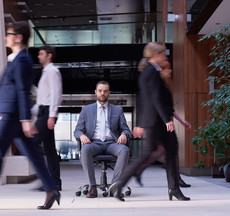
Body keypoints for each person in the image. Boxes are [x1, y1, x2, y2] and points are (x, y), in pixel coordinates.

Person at [0, 21, 60, 210]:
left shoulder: (23, 60)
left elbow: (21, 90)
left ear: (18, 37)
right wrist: (7, 116)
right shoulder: (16, 58)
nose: (5, 37)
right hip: (12, 115)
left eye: (8, 34)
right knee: (33, 154)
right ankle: (51, 189)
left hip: (15, 115)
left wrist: (25, 120)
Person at [112, 42, 190, 201]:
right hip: (156, 121)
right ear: (156, 54)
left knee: (172, 150)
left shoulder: (148, 72)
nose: (165, 57)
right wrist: (166, 120)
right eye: (163, 54)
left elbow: (144, 100)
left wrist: (142, 122)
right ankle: (120, 184)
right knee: (147, 154)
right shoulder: (152, 72)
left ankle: (174, 188)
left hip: (154, 120)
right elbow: (155, 98)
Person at [133, 60, 192, 188]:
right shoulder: (156, 85)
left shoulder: (162, 86)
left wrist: (182, 121)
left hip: (161, 122)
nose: (170, 71)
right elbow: (151, 106)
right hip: (159, 123)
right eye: (167, 69)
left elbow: (169, 108)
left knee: (165, 150)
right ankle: (137, 170)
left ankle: (174, 180)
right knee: (161, 150)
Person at [74, 81, 132, 198]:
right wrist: (82, 136)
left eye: (105, 91)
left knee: (124, 150)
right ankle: (92, 187)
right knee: (85, 149)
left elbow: (126, 129)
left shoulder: (117, 110)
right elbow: (77, 130)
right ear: (95, 92)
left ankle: (114, 187)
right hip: (93, 143)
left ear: (109, 93)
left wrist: (124, 134)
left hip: (112, 143)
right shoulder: (86, 110)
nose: (102, 93)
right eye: (100, 91)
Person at [31, 45, 63, 191]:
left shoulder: (52, 71)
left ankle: (48, 180)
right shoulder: (45, 72)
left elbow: (56, 94)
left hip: (47, 113)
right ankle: (54, 182)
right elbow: (41, 99)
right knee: (50, 149)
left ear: (49, 55)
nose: (39, 56)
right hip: (43, 112)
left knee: (32, 142)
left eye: (41, 54)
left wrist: (52, 116)